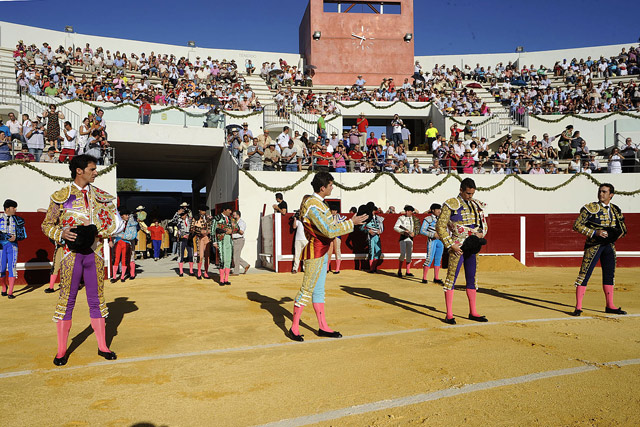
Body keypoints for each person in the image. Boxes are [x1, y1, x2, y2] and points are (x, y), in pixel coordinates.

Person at [41, 154, 123, 366]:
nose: (96, 172)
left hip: (94, 254)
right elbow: (47, 225)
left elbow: (116, 225)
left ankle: (102, 346)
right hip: (71, 255)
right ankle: (61, 350)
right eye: (92, 169)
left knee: (96, 300)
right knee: (67, 300)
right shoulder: (62, 195)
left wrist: (103, 232)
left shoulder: (102, 197)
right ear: (79, 171)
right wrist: (61, 234)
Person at [288, 172, 368, 341]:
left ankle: (323, 326)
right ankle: (294, 327)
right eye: (331, 185)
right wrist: (350, 223)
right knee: (307, 289)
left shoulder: (318, 203)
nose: (333, 187)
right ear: (323, 187)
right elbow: (329, 231)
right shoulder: (313, 205)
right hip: (314, 251)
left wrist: (347, 222)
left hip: (322, 249)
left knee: (318, 291)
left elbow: (329, 227)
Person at [436, 178, 488, 325]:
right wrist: (451, 244)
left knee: (472, 278)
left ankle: (473, 312)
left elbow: (482, 225)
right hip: (457, 246)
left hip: (473, 245)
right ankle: (449, 314)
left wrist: (480, 234)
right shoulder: (450, 204)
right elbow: (440, 226)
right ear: (461, 190)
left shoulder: (476, 204)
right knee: (451, 278)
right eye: (468, 193)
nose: (470, 196)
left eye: (472, 193)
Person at [570, 184, 627, 317]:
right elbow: (576, 225)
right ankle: (578, 307)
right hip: (593, 245)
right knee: (584, 274)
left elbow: (623, 229)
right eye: (600, 191)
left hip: (609, 246)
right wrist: (595, 232)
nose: (601, 194)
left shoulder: (615, 210)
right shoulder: (590, 208)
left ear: (611, 195)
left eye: (604, 192)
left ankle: (610, 305)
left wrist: (614, 234)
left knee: (609, 275)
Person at [0, 199, 27, 299]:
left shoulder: (18, 220)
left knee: (12, 267)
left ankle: (10, 292)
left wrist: (16, 237)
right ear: (7, 209)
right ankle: (4, 287)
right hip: (1, 247)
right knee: (1, 269)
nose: (15, 209)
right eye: (13, 207)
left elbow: (23, 234)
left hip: (13, 246)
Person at [109, 208, 138, 283]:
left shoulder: (132, 222)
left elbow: (132, 235)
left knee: (130, 258)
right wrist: (111, 240)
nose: (127, 216)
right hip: (119, 242)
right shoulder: (119, 222)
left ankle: (132, 274)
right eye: (126, 215)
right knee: (117, 258)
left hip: (130, 242)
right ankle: (121, 275)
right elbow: (111, 231)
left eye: (128, 215)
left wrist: (121, 236)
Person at [212, 205, 238, 286]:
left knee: (228, 260)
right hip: (221, 240)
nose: (230, 212)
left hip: (229, 240)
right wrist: (214, 242)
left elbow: (237, 228)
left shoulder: (231, 219)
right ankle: (221, 280)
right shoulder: (217, 218)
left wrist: (231, 231)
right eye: (229, 210)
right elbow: (213, 230)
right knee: (222, 259)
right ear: (224, 210)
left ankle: (226, 279)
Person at [420, 203, 444, 284]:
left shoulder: (441, 219)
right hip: (432, 240)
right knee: (429, 258)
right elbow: (422, 230)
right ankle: (424, 278)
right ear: (433, 210)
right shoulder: (428, 219)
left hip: (440, 241)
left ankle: (436, 278)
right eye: (437, 209)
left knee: (438, 259)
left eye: (439, 209)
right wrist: (433, 234)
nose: (439, 211)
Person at [393, 205, 420, 278]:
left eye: (408, 211)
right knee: (402, 253)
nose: (407, 212)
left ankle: (408, 271)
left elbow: (417, 229)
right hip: (403, 238)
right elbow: (395, 227)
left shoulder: (415, 219)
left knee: (409, 255)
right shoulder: (401, 218)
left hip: (410, 238)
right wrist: (403, 232)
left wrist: (414, 233)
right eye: (406, 211)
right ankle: (399, 270)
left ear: (411, 212)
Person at [190, 206, 212, 279]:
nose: (204, 212)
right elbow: (192, 229)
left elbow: (212, 226)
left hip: (207, 238)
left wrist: (209, 231)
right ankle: (199, 272)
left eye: (205, 210)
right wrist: (200, 231)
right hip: (200, 238)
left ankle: (206, 272)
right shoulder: (195, 218)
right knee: (200, 256)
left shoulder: (208, 218)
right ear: (199, 210)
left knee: (207, 256)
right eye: (203, 210)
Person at [363, 203, 384, 273]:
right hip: (370, 236)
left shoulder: (378, 218)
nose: (373, 212)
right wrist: (368, 230)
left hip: (377, 236)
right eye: (372, 210)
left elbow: (382, 228)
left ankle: (373, 267)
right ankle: (372, 269)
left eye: (374, 210)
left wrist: (380, 231)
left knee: (378, 251)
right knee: (371, 252)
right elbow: (361, 228)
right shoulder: (367, 218)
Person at [172, 207, 193, 277]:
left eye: (183, 215)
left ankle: (191, 271)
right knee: (181, 255)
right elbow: (173, 221)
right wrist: (177, 213)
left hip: (189, 239)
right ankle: (181, 271)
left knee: (190, 254)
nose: (182, 216)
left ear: (186, 214)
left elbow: (193, 228)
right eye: (181, 215)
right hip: (181, 239)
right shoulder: (179, 220)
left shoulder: (190, 220)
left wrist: (190, 235)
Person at [326, 206, 346, 274]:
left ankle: (337, 269)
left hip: (337, 235)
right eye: (333, 210)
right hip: (331, 235)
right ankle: (327, 268)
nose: (334, 212)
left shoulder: (340, 217)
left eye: (335, 210)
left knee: (337, 250)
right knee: (329, 251)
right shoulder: (329, 217)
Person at [231, 210, 250, 275]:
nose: (233, 216)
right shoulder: (235, 222)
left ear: (238, 215)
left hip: (239, 239)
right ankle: (245, 265)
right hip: (235, 240)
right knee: (235, 256)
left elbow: (241, 232)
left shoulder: (241, 223)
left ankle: (236, 272)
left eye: (234, 215)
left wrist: (235, 228)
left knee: (236, 256)